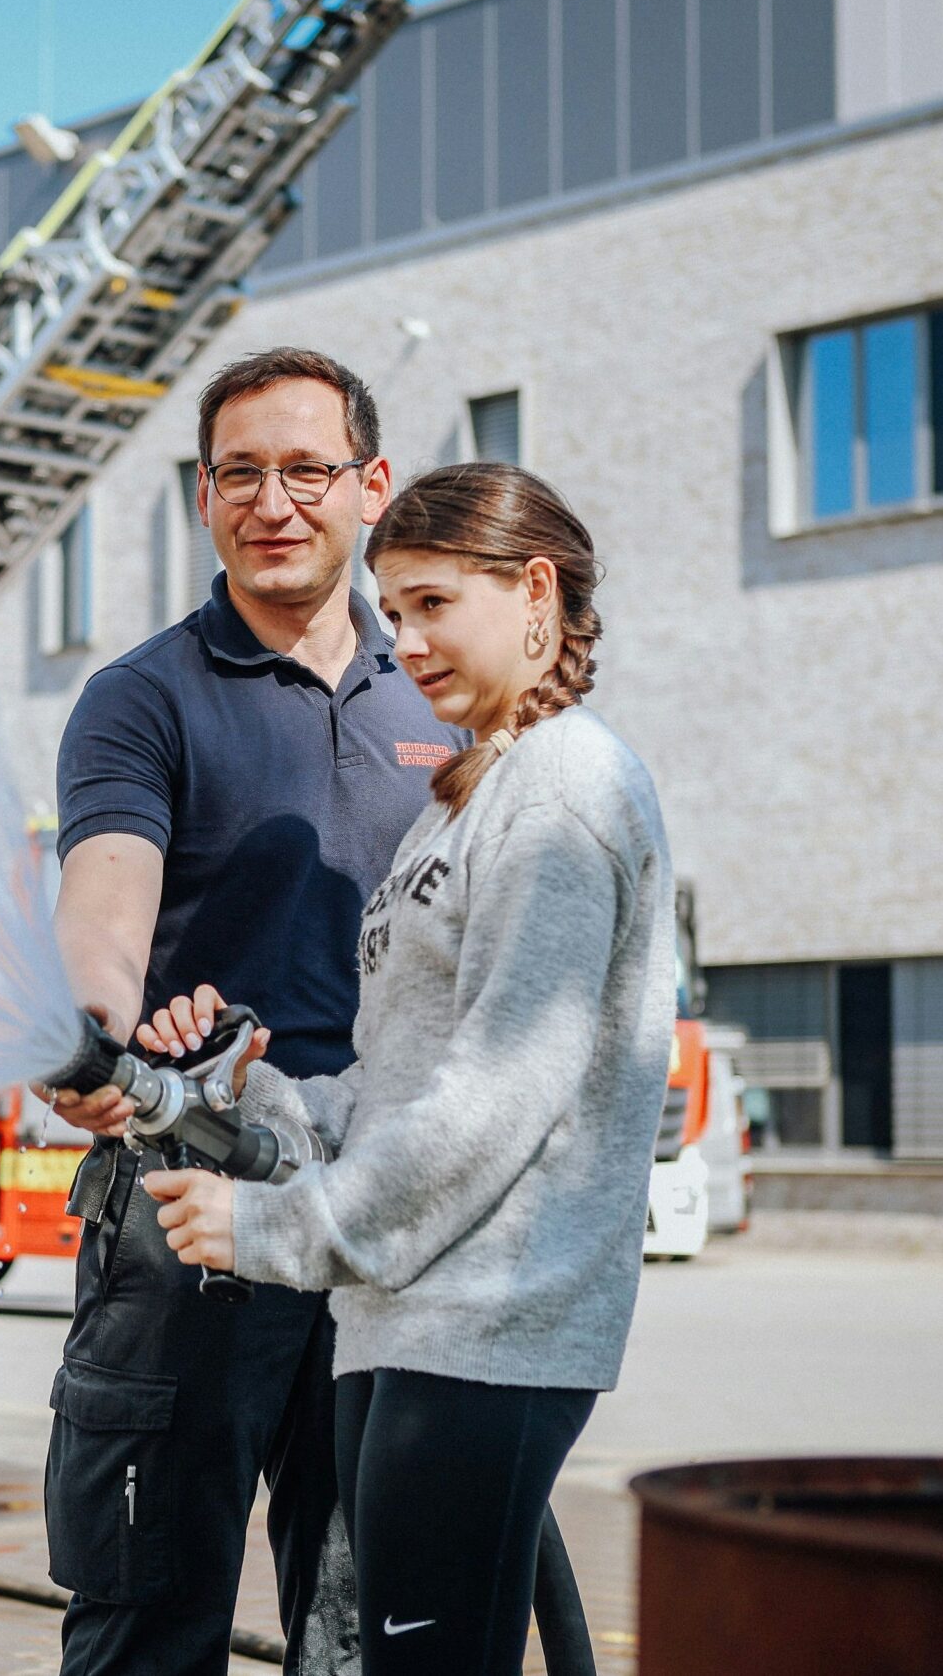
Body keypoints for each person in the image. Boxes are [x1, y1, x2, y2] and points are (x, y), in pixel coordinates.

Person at [143, 462, 676, 1676]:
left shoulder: (563, 792)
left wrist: (276, 1229)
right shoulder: (459, 802)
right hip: (398, 1323)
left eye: (434, 604)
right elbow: (403, 1079)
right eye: (393, 611)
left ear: (535, 591)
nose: (406, 641)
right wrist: (263, 1100)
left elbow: (494, 1101)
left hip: (490, 1326)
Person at [39, 346, 462, 1676]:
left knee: (376, 1628)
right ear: (204, 497)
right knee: (148, 1617)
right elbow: (105, 903)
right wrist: (95, 1031)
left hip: (383, 1219)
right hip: (187, 1211)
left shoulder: (442, 702)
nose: (271, 500)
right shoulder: (144, 696)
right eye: (238, 474)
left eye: (304, 469)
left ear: (370, 485)